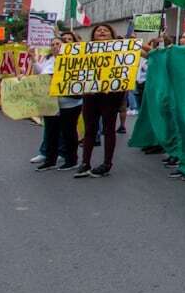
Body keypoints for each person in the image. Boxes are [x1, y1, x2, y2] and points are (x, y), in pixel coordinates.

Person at [75, 24, 123, 178]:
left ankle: (107, 164)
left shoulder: (121, 49)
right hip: (90, 94)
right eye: (98, 30)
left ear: (112, 35)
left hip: (111, 95)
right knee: (89, 129)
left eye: (106, 30)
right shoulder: (84, 51)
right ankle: (85, 163)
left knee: (109, 129)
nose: (102, 31)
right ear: (93, 35)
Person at [34, 34, 82, 171]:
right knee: (51, 132)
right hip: (50, 103)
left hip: (69, 103)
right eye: (53, 44)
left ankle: (71, 160)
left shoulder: (74, 60)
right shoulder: (49, 60)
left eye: (58, 44)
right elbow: (40, 74)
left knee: (68, 132)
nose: (55, 46)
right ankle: (50, 160)